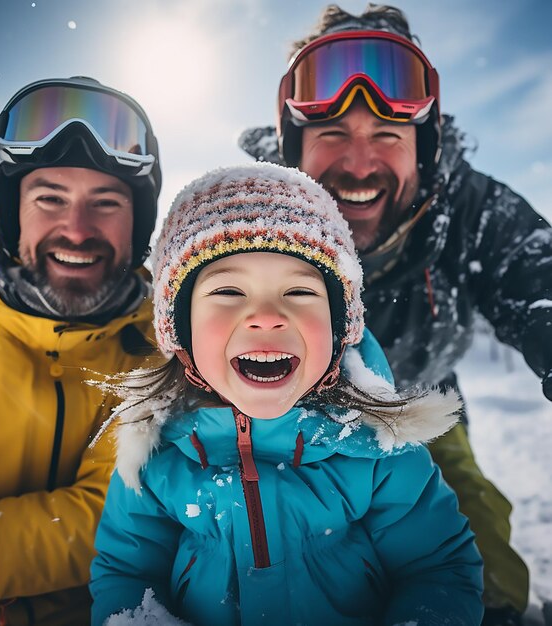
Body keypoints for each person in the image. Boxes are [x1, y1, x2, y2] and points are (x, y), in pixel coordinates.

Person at [239, 5, 552, 623]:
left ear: (425, 148)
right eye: (333, 135)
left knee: (477, 549)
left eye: (387, 136)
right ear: (293, 147)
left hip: (424, 406)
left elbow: (536, 274)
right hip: (286, 418)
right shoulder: (251, 213)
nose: (359, 165)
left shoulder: (467, 207)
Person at [89, 163, 484, 626]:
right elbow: (127, 572)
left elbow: (437, 569)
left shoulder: (379, 452)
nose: (266, 316)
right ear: (180, 329)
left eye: (298, 291)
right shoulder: (157, 455)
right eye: (230, 290)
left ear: (340, 327)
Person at [0, 76, 165, 626]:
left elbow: (132, 511)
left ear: (140, 222)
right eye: (49, 198)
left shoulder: (168, 349)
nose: (76, 231)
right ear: (12, 212)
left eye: (105, 202)